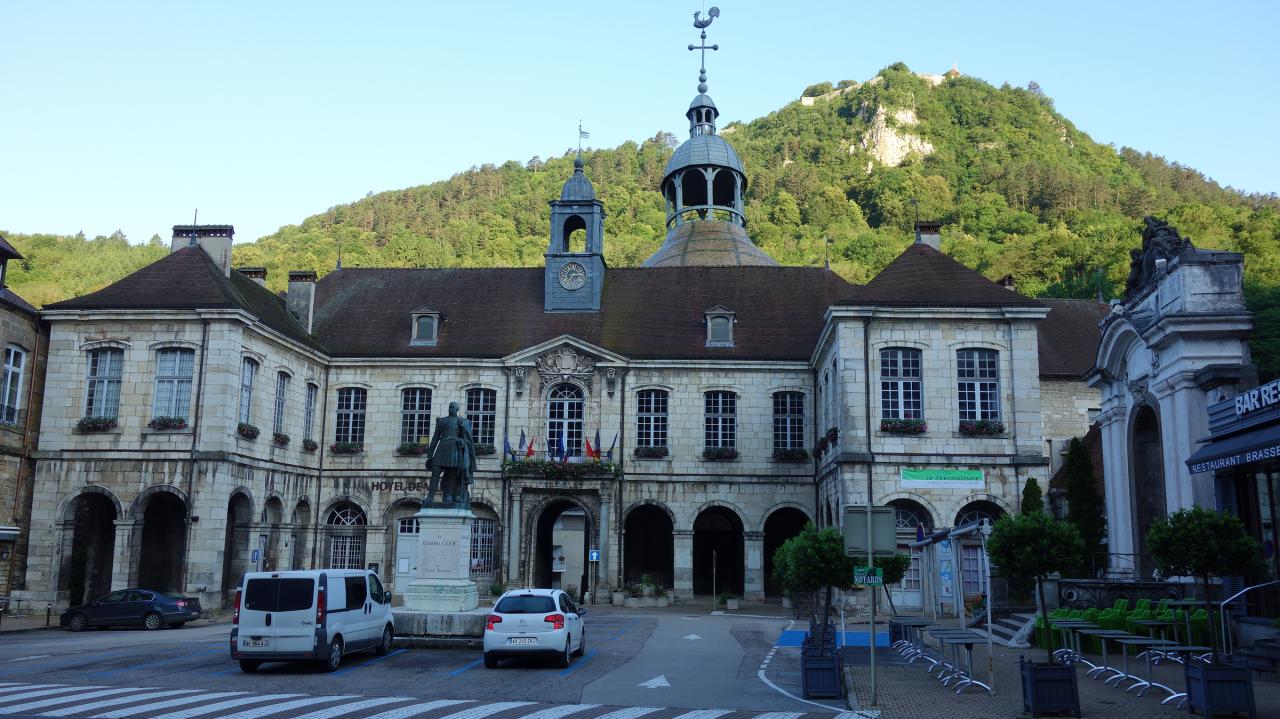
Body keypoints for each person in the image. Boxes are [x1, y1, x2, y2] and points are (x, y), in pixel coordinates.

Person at [424, 401, 475, 506]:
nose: (451, 409)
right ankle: (430, 496)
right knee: (435, 472)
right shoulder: (442, 421)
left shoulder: (461, 422)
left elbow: (466, 438)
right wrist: (430, 454)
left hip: (454, 449)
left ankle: (449, 495)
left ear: (457, 410)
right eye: (450, 407)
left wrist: (463, 439)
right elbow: (435, 438)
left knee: (452, 473)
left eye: (453, 407)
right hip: (442, 448)